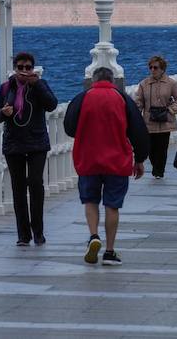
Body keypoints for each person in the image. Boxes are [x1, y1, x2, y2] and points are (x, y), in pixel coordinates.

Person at [64, 67, 148, 266]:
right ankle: (109, 251)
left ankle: (94, 235)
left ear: (93, 81)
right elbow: (138, 130)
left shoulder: (82, 98)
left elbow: (69, 127)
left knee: (90, 201)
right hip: (117, 160)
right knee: (112, 205)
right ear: (113, 81)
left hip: (88, 159)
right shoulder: (122, 98)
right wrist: (140, 158)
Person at [0, 52, 58, 246]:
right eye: (20, 67)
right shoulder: (6, 88)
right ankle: (23, 234)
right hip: (14, 144)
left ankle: (38, 232)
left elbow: (52, 105)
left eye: (28, 67)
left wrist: (37, 85)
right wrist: (3, 113)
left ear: (33, 68)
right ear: (15, 68)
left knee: (36, 184)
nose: (24, 71)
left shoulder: (39, 85)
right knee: (18, 188)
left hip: (37, 143)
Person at [133, 55, 177, 179]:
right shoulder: (144, 84)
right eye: (151, 67)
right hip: (149, 120)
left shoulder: (171, 83)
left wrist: (173, 109)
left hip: (165, 120)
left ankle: (159, 171)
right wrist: (135, 114)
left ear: (162, 69)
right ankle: (156, 166)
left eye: (155, 67)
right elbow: (139, 101)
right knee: (151, 148)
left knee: (162, 147)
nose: (152, 70)